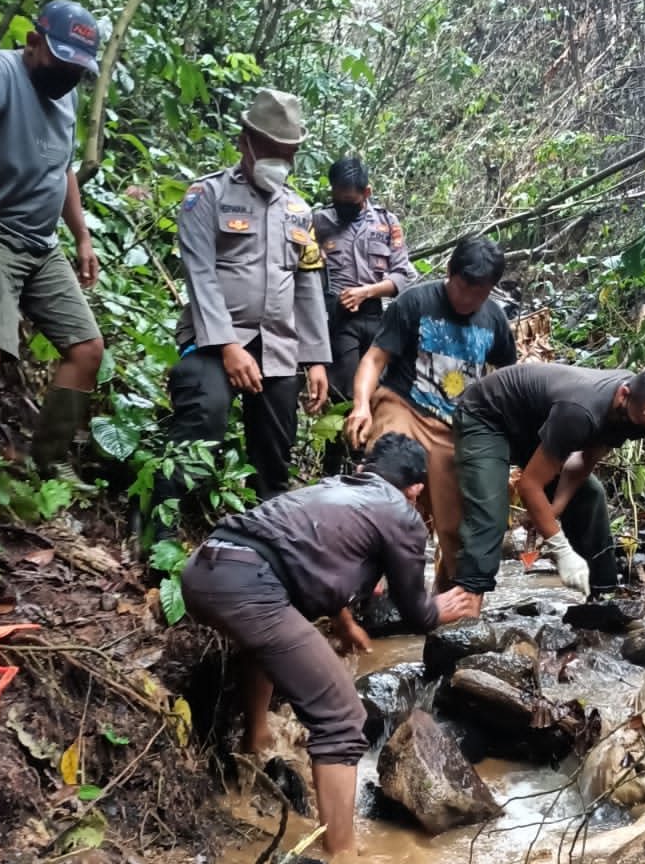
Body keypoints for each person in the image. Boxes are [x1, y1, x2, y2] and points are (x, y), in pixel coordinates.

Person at [180, 433, 480, 855]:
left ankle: (257, 741)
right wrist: (444, 607)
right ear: (415, 489)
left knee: (267, 644)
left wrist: (343, 623)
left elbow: (310, 556)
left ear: (367, 469)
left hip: (203, 569)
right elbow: (417, 613)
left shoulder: (333, 487)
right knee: (343, 718)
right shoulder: (402, 514)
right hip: (249, 587)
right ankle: (341, 851)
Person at [0, 0, 104, 518]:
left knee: (87, 349)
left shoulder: (67, 91)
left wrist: (82, 237)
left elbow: (64, 169)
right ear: (33, 43)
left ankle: (48, 465)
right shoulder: (5, 72)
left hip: (40, 243)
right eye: (60, 61)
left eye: (78, 68)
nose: (68, 75)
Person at [150, 89, 331, 535]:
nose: (279, 162)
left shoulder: (298, 209)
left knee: (275, 447)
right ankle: (160, 534)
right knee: (204, 418)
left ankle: (265, 542)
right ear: (245, 141)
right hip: (212, 343)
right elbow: (200, 272)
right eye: (271, 150)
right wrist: (228, 345)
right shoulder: (206, 196)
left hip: (277, 348)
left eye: (287, 154)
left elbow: (307, 284)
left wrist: (317, 358)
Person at [345, 236, 517, 590]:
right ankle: (364, 582)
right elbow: (375, 359)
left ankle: (451, 599)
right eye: (463, 288)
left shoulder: (495, 319)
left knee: (456, 523)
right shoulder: (415, 302)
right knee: (386, 480)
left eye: (479, 293)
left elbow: (506, 379)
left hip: (457, 424)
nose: (468, 300)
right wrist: (361, 404)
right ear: (450, 273)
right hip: (404, 405)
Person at [453, 364, 645, 602]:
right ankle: (466, 614)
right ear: (623, 394)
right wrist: (561, 549)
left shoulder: (639, 416)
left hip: (537, 426)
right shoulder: (582, 411)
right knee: (490, 514)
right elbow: (529, 485)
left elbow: (586, 460)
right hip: (486, 416)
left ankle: (604, 598)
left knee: (590, 496)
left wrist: (554, 509)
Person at [313, 157, 417, 473]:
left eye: (351, 201)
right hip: (337, 319)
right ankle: (335, 471)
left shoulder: (387, 224)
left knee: (378, 395)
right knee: (342, 396)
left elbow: (405, 276)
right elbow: (305, 276)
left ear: (366, 192)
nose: (343, 206)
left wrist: (367, 292)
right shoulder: (318, 222)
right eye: (338, 198)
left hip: (377, 318)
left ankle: (373, 468)